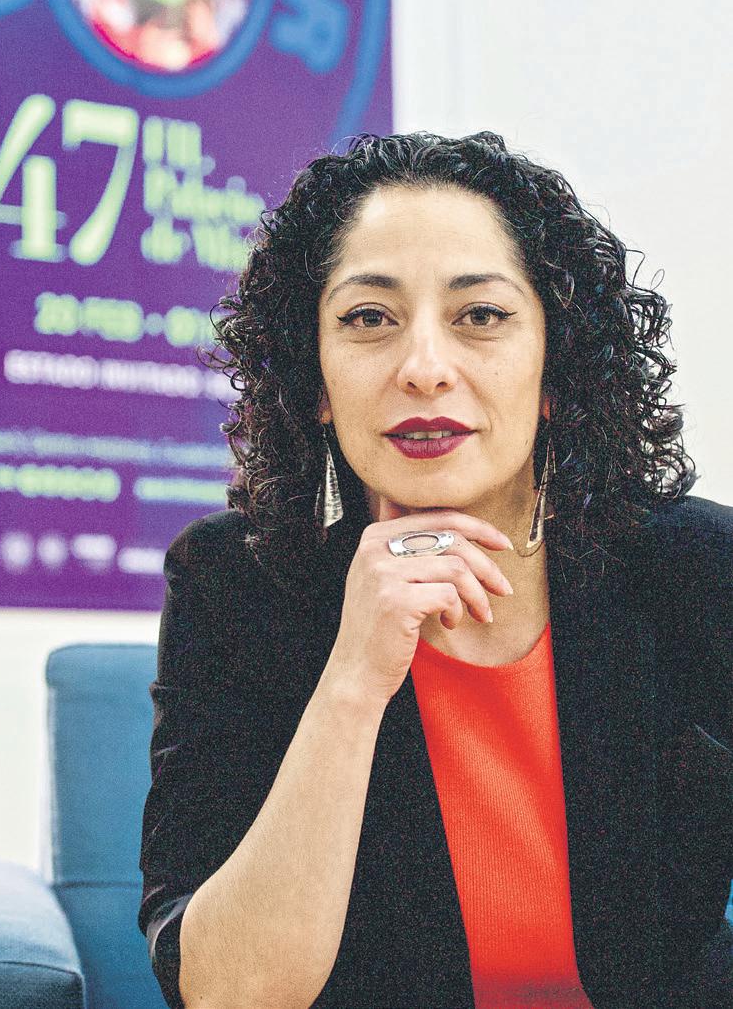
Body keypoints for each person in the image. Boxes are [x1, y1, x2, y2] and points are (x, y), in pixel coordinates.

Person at [137, 132, 732, 1009]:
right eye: (368, 319)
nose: (422, 369)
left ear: (556, 368)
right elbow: (229, 992)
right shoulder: (236, 585)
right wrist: (352, 682)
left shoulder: (696, 567)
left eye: (480, 316)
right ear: (316, 382)